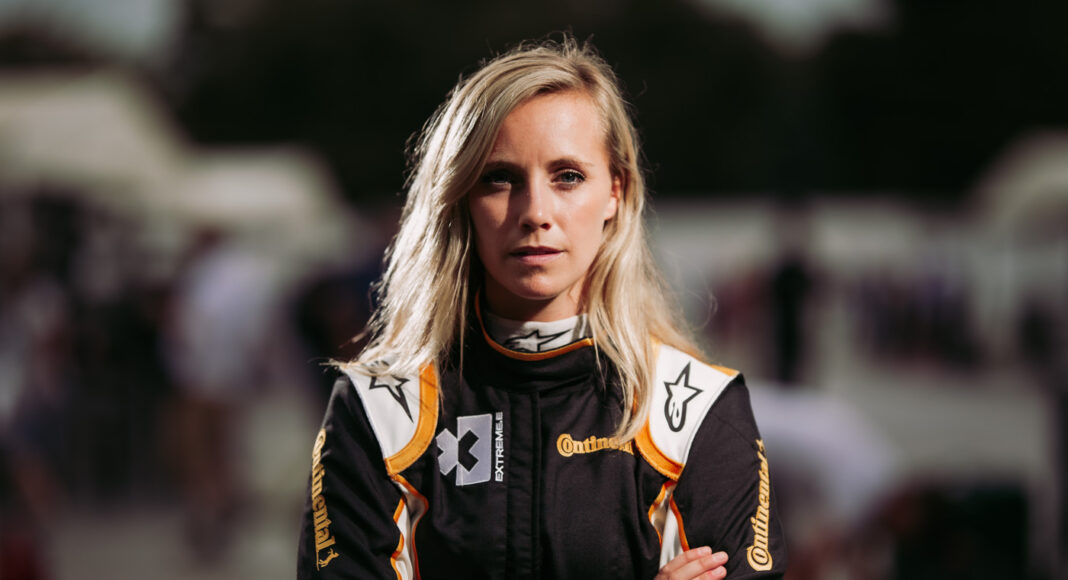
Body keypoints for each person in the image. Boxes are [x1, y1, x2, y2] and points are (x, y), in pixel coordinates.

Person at [297, 35, 787, 579]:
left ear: (615, 191)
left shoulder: (697, 408)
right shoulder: (378, 408)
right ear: (460, 197)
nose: (535, 212)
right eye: (499, 178)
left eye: (567, 176)